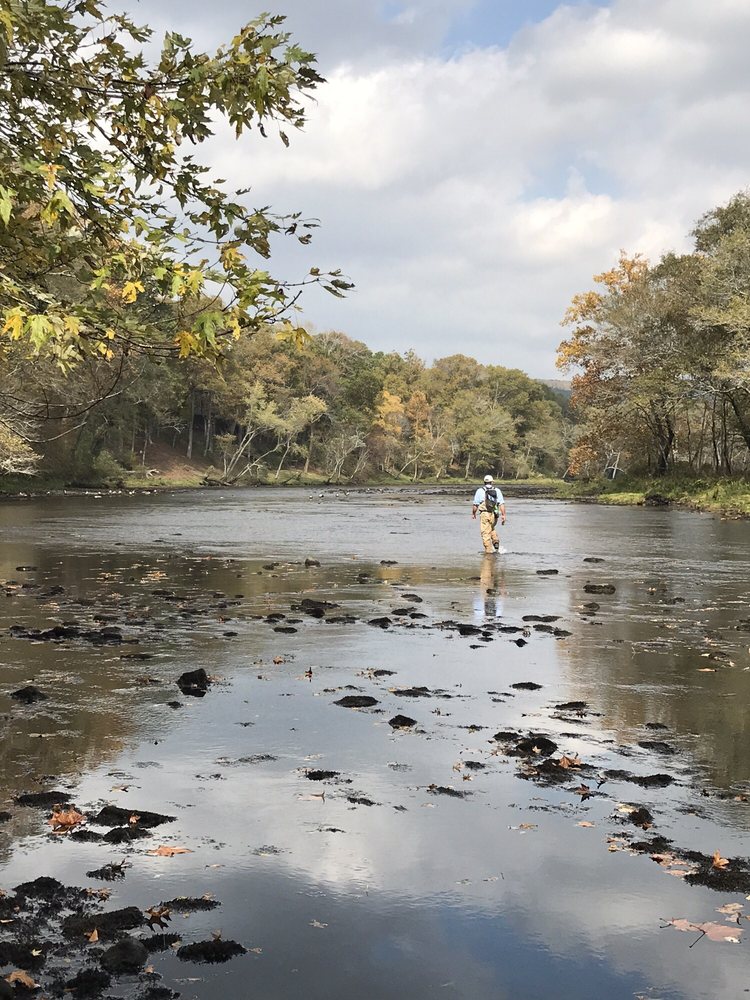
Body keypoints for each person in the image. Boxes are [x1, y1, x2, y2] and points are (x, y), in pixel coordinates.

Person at [471, 475, 506, 553]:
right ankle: (495, 541)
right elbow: (502, 504)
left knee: (485, 533)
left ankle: (488, 553)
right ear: (492, 482)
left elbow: (475, 505)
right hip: (494, 514)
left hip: (484, 514)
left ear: (484, 482)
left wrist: (473, 513)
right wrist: (503, 515)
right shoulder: (497, 490)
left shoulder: (480, 491)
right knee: (491, 527)